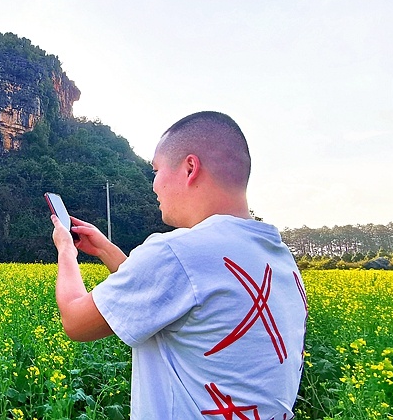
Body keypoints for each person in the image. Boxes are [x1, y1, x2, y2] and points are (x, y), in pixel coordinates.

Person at [50, 111, 307, 419]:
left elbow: (75, 321)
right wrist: (107, 250)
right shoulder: (279, 257)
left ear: (189, 168)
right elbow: (177, 294)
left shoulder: (178, 252)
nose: (154, 185)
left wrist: (66, 251)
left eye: (156, 171)